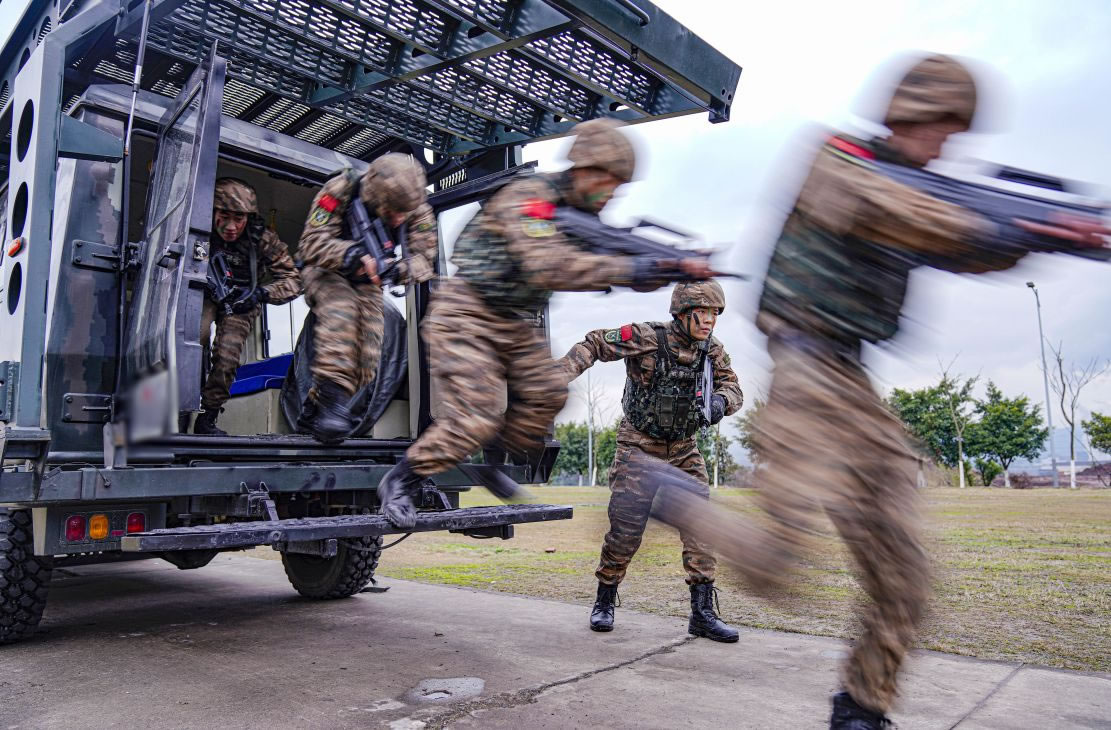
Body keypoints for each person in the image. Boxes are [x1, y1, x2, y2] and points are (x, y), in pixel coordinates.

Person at [637, 54, 1110, 729]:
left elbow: (962, 246)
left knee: (904, 573)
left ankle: (861, 709)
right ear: (905, 112)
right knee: (777, 569)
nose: (942, 144)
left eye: (954, 133)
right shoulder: (840, 157)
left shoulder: (924, 185)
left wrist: (1041, 233)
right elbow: (906, 215)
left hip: (853, 384)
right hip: (803, 370)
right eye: (937, 126)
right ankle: (672, 496)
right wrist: (1013, 227)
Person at [376, 118, 717, 530]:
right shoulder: (531, 198)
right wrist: (635, 268)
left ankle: (495, 460)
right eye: (609, 182)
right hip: (465, 313)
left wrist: (666, 265)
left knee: (549, 390)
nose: (612, 194)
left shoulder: (580, 216)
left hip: (512, 320)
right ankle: (400, 481)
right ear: (585, 169)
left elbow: (598, 255)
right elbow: (548, 265)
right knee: (475, 418)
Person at [557, 280, 744, 642]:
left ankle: (702, 614)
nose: (709, 322)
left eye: (714, 315)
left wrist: (722, 402)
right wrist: (561, 372)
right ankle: (605, 601)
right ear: (682, 314)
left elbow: (733, 387)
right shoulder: (646, 337)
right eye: (702, 314)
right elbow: (596, 342)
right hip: (638, 448)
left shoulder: (713, 350)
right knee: (625, 531)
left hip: (684, 449)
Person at [295, 153, 438, 443]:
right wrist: (351, 255)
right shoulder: (342, 189)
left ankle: (315, 405)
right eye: (392, 211)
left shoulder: (415, 207)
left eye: (404, 213)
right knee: (342, 313)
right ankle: (332, 409)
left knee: (370, 354)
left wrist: (399, 269)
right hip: (326, 269)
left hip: (370, 280)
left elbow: (425, 259)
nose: (399, 218)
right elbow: (310, 243)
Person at [194, 178, 301, 435]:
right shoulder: (196, 226)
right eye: (224, 216)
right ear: (213, 212)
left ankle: (207, 418)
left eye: (239, 218)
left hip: (242, 301)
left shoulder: (262, 239)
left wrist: (261, 293)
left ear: (249, 216)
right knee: (193, 339)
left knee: (227, 358)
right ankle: (176, 408)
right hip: (202, 294)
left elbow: (293, 280)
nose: (231, 227)